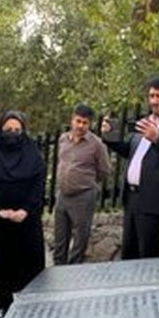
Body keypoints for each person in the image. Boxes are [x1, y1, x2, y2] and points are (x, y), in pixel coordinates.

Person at [103, 76, 159, 259]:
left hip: (154, 202)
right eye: (151, 96)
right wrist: (109, 138)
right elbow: (130, 151)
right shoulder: (144, 121)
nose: (154, 101)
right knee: (129, 255)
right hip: (133, 199)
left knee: (147, 257)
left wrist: (157, 139)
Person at [0, 112, 47, 317]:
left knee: (29, 264)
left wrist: (25, 210)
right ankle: (4, 303)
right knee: (2, 265)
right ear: (0, 131)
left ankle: (29, 303)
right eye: (8, 130)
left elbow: (38, 185)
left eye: (17, 130)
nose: (13, 134)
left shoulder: (33, 155)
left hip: (27, 221)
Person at [53, 103, 111, 265]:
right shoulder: (63, 139)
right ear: (72, 120)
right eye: (78, 121)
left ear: (90, 124)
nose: (80, 126)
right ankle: (58, 268)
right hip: (62, 195)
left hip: (83, 196)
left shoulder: (96, 144)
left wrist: (85, 182)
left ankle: (74, 270)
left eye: (85, 123)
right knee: (60, 236)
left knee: (80, 236)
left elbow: (104, 171)